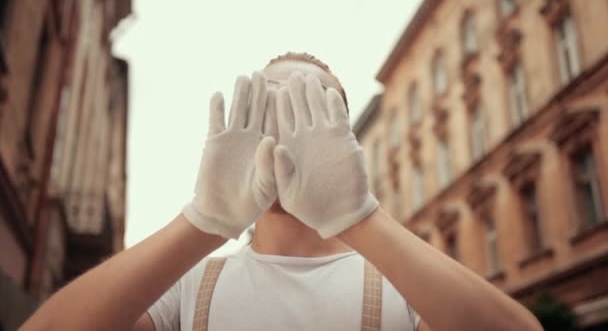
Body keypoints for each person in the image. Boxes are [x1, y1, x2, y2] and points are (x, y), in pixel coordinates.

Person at [21, 53, 542, 331]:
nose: (285, 135)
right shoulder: (192, 285)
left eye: (310, 113)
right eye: (270, 111)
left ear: (343, 141)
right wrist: (204, 219)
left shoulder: (402, 286)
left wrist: (358, 216)